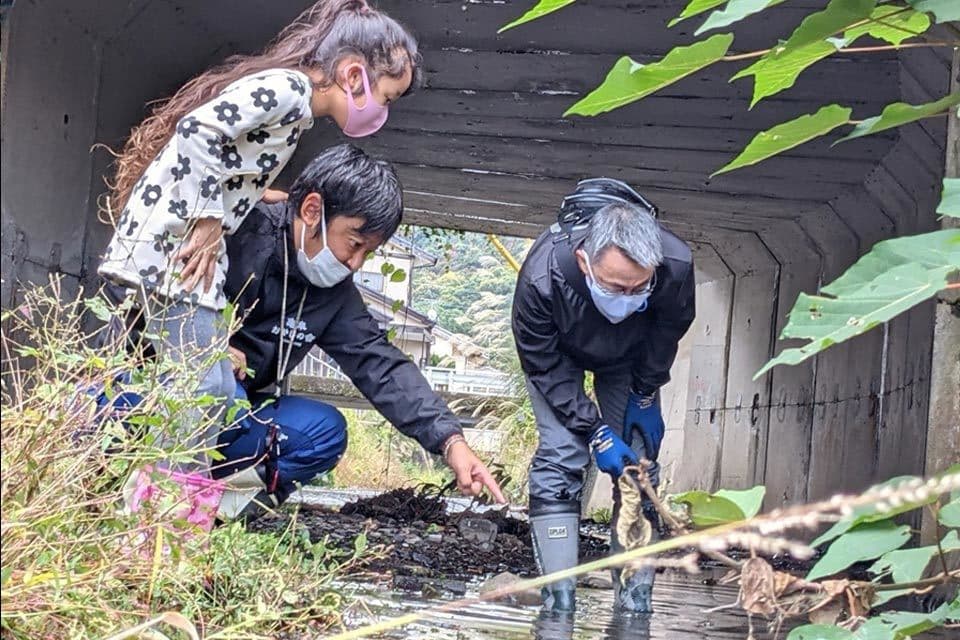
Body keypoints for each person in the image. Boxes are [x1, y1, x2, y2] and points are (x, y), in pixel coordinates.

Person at [95, 0, 421, 528]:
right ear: (353, 75)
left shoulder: (295, 117)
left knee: (218, 390)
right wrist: (206, 217)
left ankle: (179, 514)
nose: (383, 112)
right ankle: (159, 526)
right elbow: (198, 132)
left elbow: (234, 163)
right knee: (198, 392)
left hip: (191, 255)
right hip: (174, 249)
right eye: (386, 97)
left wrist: (255, 199)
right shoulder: (288, 91)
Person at [211, 143, 506, 518]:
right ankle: (153, 498)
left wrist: (450, 441)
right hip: (168, 393)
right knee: (222, 391)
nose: (354, 263)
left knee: (323, 432)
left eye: (367, 253)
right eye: (353, 244)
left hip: (240, 414)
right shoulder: (239, 229)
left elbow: (380, 365)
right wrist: (211, 344)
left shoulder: (332, 294)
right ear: (312, 209)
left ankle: (217, 516)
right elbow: (156, 292)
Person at [511, 178, 696, 614]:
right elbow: (542, 365)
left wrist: (647, 393)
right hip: (558, 356)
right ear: (584, 260)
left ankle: (635, 605)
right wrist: (593, 430)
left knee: (638, 464)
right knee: (561, 456)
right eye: (614, 287)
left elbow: (667, 332)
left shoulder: (676, 267)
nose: (626, 298)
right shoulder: (542, 280)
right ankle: (559, 604)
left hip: (628, 362)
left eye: (638, 289)